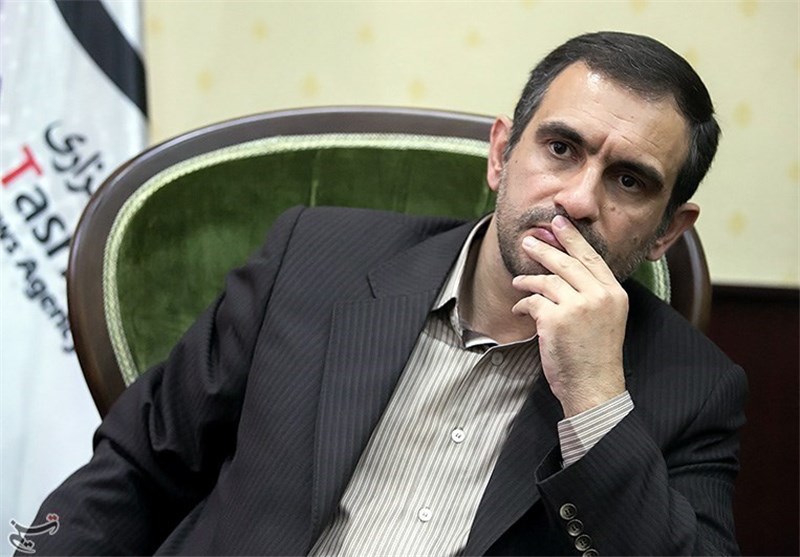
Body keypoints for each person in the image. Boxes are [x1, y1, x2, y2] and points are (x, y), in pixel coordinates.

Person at [24, 31, 746, 556]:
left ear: (666, 231)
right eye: (561, 148)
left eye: (629, 181)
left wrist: (595, 400)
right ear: (502, 154)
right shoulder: (311, 260)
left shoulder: (694, 387)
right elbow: (138, 466)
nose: (579, 200)